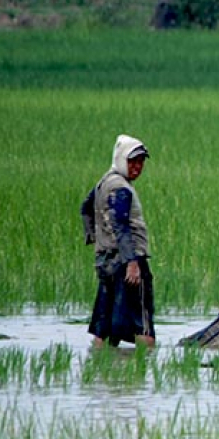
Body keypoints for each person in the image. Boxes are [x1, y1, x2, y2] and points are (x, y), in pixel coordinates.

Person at [81, 134, 156, 348]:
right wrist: (132, 263)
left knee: (103, 330)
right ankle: (143, 374)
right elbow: (121, 225)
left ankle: (101, 372)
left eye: (141, 162)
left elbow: (86, 208)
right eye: (132, 161)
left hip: (106, 262)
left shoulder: (104, 182)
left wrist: (95, 238)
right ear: (121, 159)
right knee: (143, 328)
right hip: (128, 263)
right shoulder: (121, 189)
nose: (137, 167)